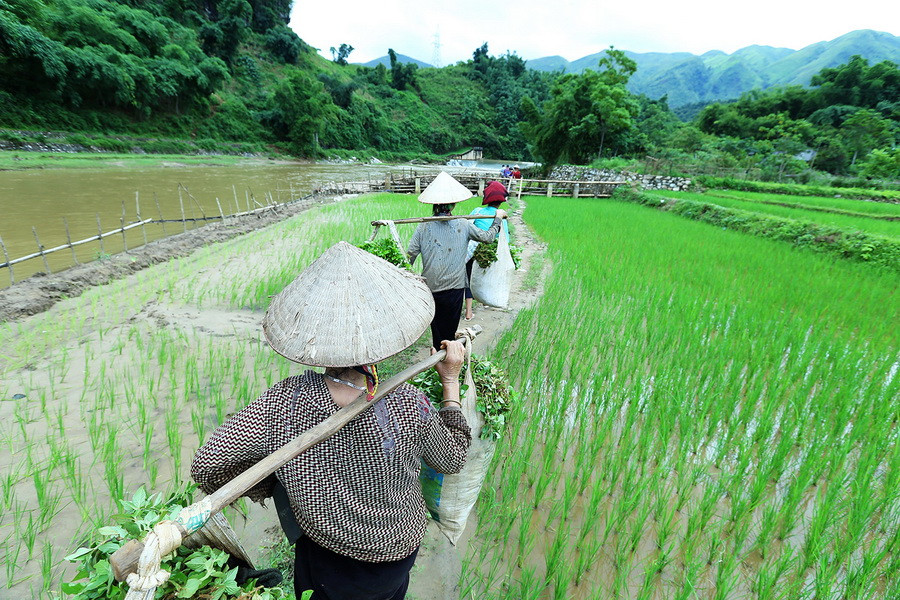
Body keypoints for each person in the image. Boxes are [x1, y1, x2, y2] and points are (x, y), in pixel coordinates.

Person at [191, 241, 472, 600]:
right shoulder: (406, 403)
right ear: (382, 334)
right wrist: (450, 381)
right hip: (395, 550)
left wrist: (276, 483)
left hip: (325, 554)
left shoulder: (283, 402)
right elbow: (452, 459)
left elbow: (208, 465)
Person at [407, 171, 506, 349]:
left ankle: (439, 359)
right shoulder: (463, 223)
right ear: (453, 204)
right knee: (449, 333)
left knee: (437, 332)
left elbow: (409, 257)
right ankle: (446, 362)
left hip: (431, 288)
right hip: (455, 288)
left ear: (434, 204)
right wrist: (497, 219)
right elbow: (488, 237)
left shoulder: (423, 226)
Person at [464, 180, 509, 320]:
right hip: (490, 253)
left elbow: (466, 227)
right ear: (501, 202)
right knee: (486, 275)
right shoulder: (501, 216)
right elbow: (505, 239)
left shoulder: (477, 211)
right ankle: (485, 299)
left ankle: (468, 312)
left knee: (468, 278)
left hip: (472, 253)